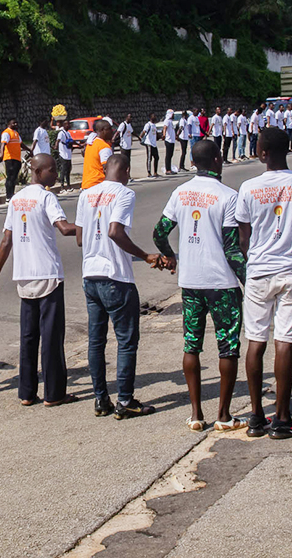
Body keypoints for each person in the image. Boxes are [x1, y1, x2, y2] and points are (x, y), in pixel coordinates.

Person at [236, 127, 292, 439]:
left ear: (261, 153)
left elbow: (242, 238)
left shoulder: (247, 188)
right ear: (288, 150)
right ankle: (283, 417)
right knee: (284, 341)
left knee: (255, 341)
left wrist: (252, 261)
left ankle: (256, 415)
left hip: (259, 272)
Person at [154, 140, 247, 432]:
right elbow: (232, 249)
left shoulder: (180, 192)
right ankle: (223, 415)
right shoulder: (228, 196)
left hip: (191, 283)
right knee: (228, 347)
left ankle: (195, 414)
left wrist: (169, 256)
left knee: (191, 344)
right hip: (222, 284)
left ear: (193, 162)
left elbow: (159, 232)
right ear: (218, 160)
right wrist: (249, 281)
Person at [0, 154, 77, 406]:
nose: (56, 175)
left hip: (24, 278)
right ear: (39, 171)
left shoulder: (16, 200)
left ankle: (27, 393)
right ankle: (54, 394)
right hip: (48, 275)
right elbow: (65, 228)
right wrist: (90, 224)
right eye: (52, 170)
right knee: (51, 338)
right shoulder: (47, 197)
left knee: (28, 337)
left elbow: (7, 240)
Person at [76, 154, 163, 419]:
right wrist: (146, 255)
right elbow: (115, 231)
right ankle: (125, 401)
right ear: (125, 170)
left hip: (90, 276)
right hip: (116, 277)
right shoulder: (125, 194)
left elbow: (80, 238)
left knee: (96, 341)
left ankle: (101, 399)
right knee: (126, 342)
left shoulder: (86, 195)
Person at [82, 119, 114, 190]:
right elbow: (106, 169)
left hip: (87, 184)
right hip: (98, 185)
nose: (112, 131)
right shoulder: (104, 147)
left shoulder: (91, 143)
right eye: (109, 129)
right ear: (102, 130)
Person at [0, 118, 23, 202]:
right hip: (10, 159)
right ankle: (8, 196)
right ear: (9, 124)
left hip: (17, 158)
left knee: (14, 178)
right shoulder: (6, 133)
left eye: (16, 123)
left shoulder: (16, 133)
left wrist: (29, 150)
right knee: (10, 177)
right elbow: (3, 144)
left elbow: (21, 144)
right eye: (13, 123)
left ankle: (12, 194)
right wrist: (1, 155)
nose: (16, 124)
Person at [55, 119, 74, 189]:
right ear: (64, 125)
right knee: (63, 170)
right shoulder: (61, 133)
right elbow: (58, 141)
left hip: (68, 155)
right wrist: (55, 147)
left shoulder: (68, 133)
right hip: (63, 154)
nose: (69, 126)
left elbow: (72, 142)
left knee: (68, 170)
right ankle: (62, 185)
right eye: (67, 124)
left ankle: (68, 185)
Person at [141, 113, 160, 177]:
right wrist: (140, 138)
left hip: (154, 144)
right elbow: (144, 132)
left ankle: (155, 172)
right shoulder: (148, 125)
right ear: (150, 117)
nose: (155, 117)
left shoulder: (154, 125)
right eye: (153, 116)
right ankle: (149, 172)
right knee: (149, 158)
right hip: (149, 143)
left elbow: (156, 133)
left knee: (156, 157)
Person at [163, 110, 177, 174]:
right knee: (168, 155)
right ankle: (167, 169)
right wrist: (164, 135)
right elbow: (165, 128)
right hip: (168, 140)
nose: (173, 115)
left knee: (171, 155)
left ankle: (170, 168)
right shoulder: (167, 121)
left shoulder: (170, 121)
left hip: (172, 140)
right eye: (172, 114)